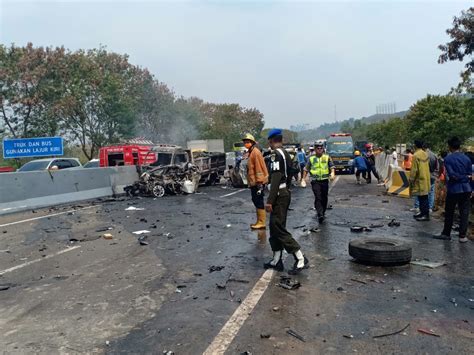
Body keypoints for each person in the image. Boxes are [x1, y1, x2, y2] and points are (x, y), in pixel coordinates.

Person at [263, 129, 309, 274]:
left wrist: (270, 200)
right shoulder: (287, 154)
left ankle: (300, 257)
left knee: (278, 227)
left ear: (271, 140)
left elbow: (276, 177)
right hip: (284, 192)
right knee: (274, 227)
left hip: (278, 194)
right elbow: (291, 172)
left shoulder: (275, 155)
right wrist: (286, 188)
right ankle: (276, 259)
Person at [433, 137, 472, 243]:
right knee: (464, 212)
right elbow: (470, 175)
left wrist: (461, 177)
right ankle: (462, 236)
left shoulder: (448, 159)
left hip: (454, 188)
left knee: (449, 211)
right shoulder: (467, 158)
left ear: (450, 147)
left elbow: (452, 175)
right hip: (466, 188)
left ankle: (446, 233)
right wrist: (466, 179)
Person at [302, 141, 336, 223]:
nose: (319, 149)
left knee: (324, 197)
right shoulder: (311, 158)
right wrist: (303, 179)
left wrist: (332, 173)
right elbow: (306, 169)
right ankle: (320, 214)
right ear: (315, 149)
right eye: (318, 148)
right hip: (315, 181)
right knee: (318, 196)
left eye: (321, 148)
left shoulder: (327, 157)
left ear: (323, 149)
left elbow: (332, 167)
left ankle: (323, 212)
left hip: (324, 181)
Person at [242, 133, 269, 229]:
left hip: (258, 183)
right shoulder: (251, 152)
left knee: (258, 201)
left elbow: (258, 169)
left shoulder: (255, 152)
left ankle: (262, 222)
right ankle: (259, 220)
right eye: (245, 142)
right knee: (256, 200)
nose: (246, 143)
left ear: (252, 142)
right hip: (254, 182)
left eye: (248, 142)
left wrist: (259, 182)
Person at [409, 140, 431, 221]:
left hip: (419, 179)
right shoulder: (425, 154)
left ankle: (425, 215)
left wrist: (411, 179)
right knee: (424, 197)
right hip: (426, 178)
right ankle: (423, 213)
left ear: (415, 145)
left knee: (422, 198)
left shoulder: (416, 155)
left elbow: (414, 169)